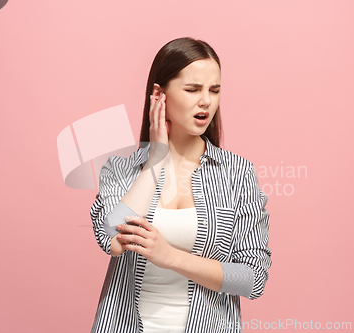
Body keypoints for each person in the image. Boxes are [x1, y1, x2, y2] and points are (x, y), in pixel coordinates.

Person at [90, 37, 271, 333]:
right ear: (159, 94)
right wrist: (155, 160)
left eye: (214, 90)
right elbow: (110, 239)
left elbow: (253, 279)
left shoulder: (238, 173)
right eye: (192, 89)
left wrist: (170, 257)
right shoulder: (121, 170)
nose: (206, 101)